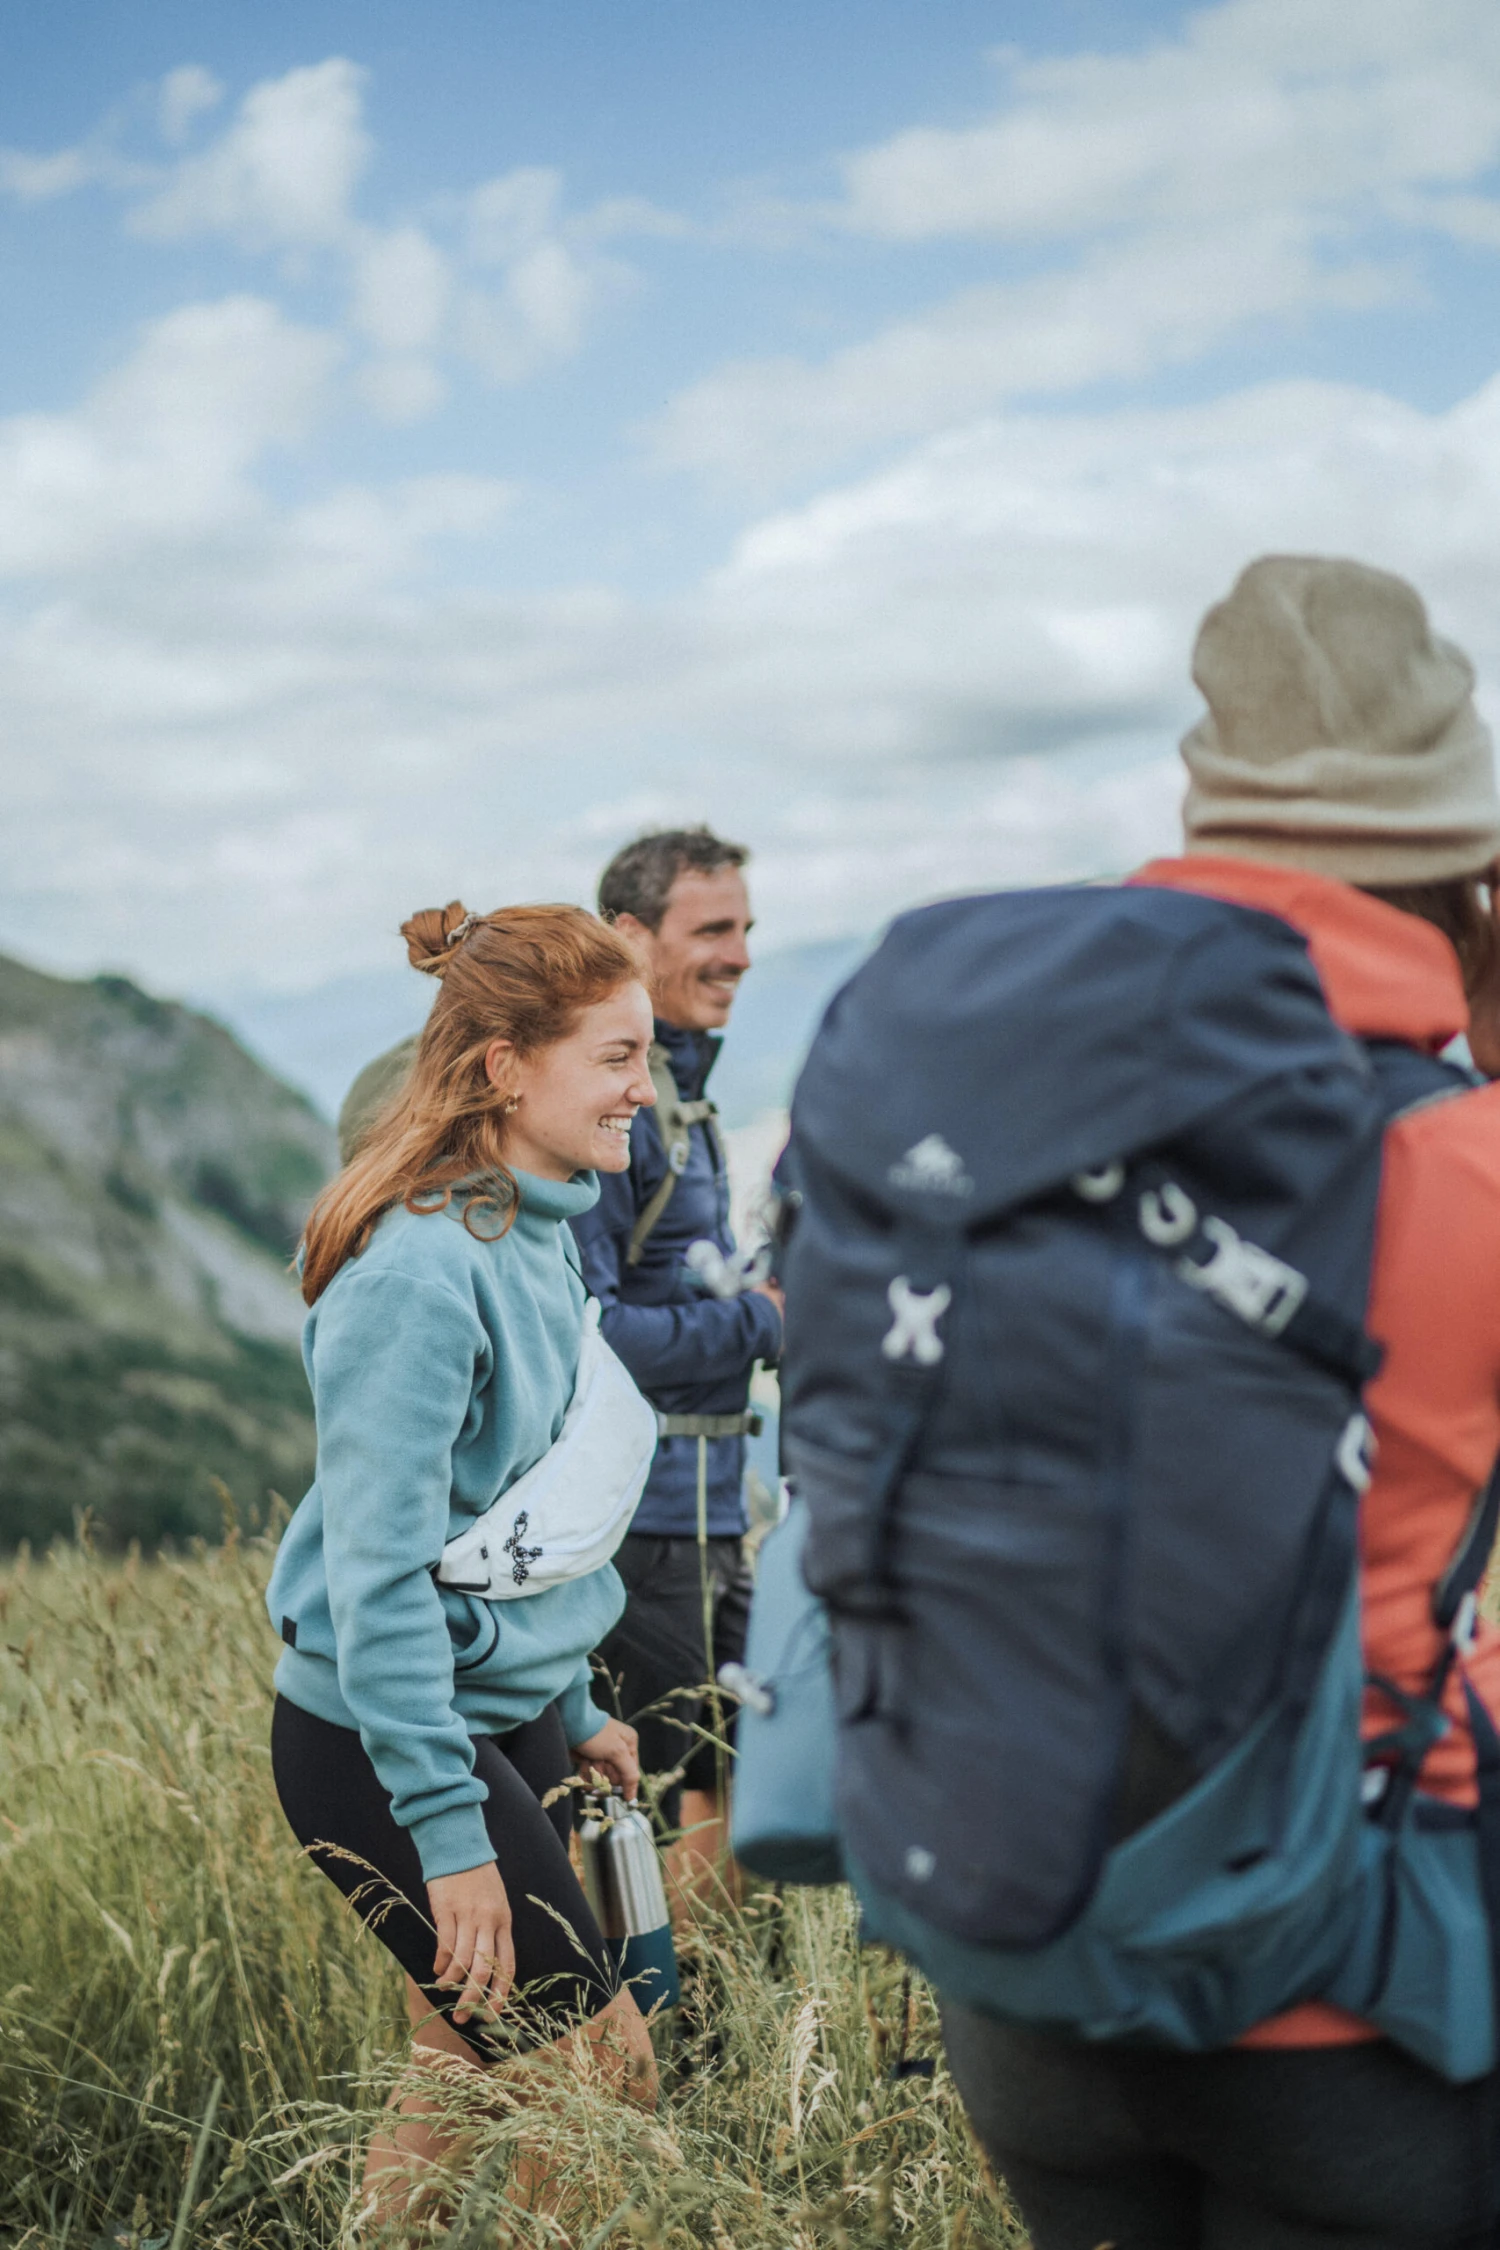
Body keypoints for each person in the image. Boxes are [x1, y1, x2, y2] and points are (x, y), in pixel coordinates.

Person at [940, 557, 1500, 2247]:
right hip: (1334, 1974)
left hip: (1023, 1957)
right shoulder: (1459, 1161)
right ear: (1461, 859)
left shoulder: (998, 1093)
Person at [266, 899, 659, 2224]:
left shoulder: (533, 1233)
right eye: (616, 1057)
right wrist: (449, 1832)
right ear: (506, 1067)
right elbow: (379, 1587)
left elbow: (512, 1524)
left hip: (497, 1719)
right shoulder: (422, 1271)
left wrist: (576, 1706)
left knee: (461, 2072)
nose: (642, 1092)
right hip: (382, 1746)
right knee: (601, 2086)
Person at [572, 827, 784, 1889]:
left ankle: (709, 2012)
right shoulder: (614, 1109)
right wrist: (765, 1323)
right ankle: (643, 2030)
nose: (740, 954)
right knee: (640, 1804)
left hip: (709, 1512)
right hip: (638, 1526)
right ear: (629, 936)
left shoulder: (684, 1096)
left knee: (748, 1763)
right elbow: (588, 1329)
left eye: (744, 928)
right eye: (711, 929)